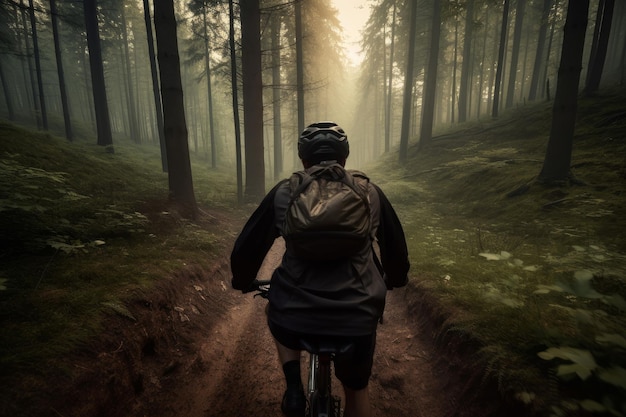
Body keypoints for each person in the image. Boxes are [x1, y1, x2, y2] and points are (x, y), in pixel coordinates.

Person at [230, 121, 410, 417]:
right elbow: (395, 248)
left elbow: (247, 247)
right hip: (357, 315)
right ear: (344, 158)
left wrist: (243, 279)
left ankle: (293, 390)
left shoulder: (284, 193)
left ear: (303, 159)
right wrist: (395, 278)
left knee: (275, 306)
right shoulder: (370, 193)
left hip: (294, 312)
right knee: (357, 391)